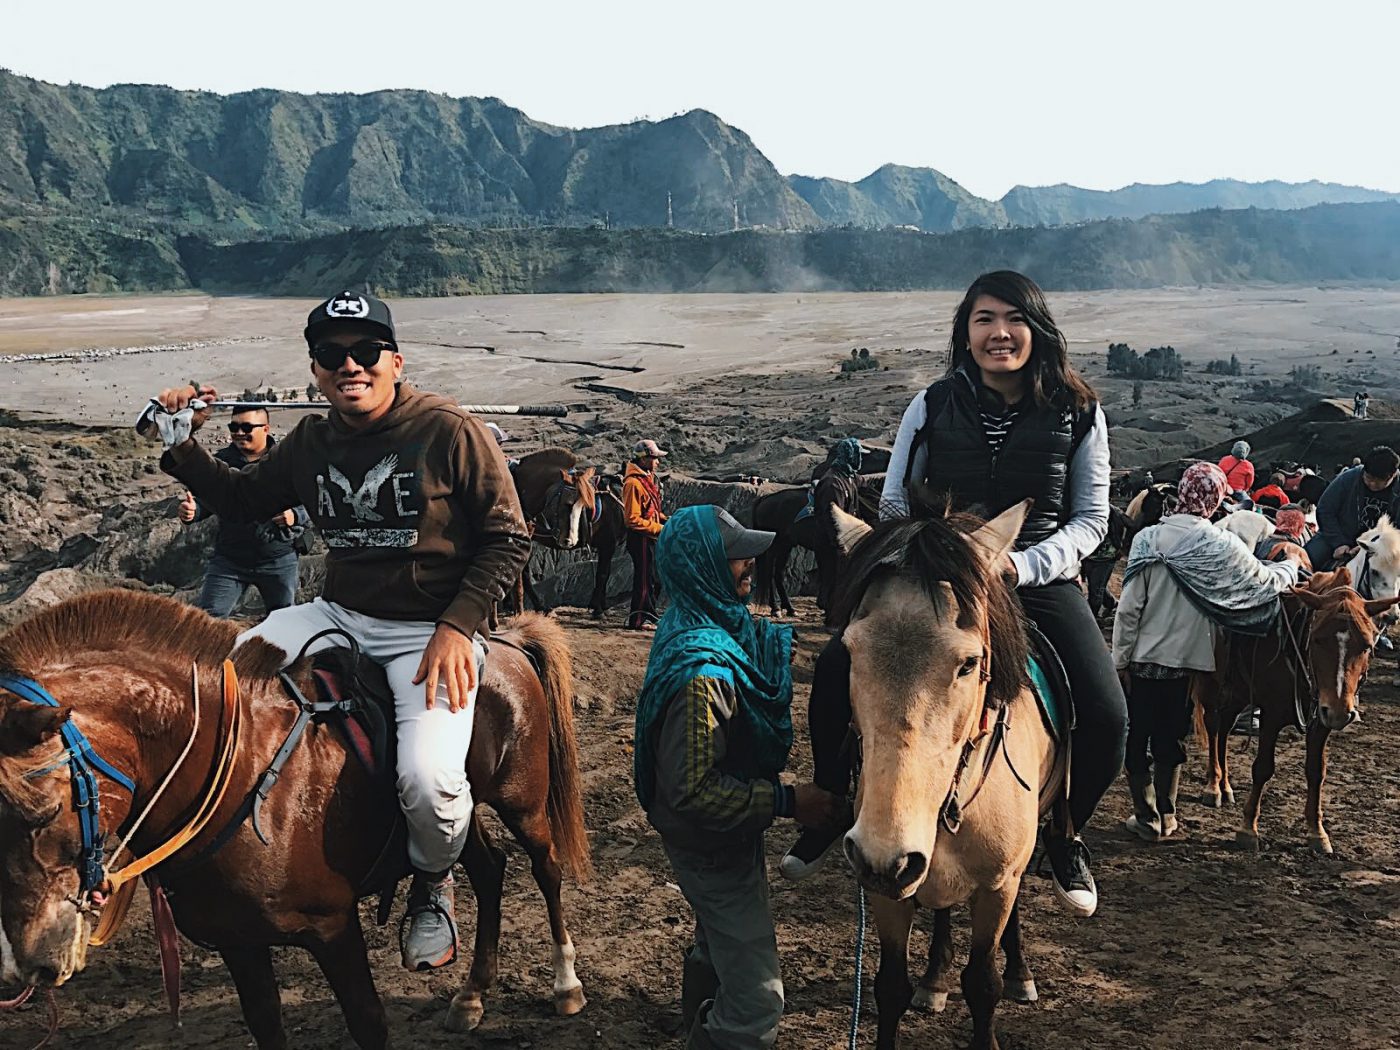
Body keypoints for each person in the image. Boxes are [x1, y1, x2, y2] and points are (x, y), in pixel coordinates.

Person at [144, 290, 531, 973]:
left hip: (429, 629)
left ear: (394, 360)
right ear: (317, 371)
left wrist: (455, 628)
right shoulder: (313, 441)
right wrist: (183, 444)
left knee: (429, 779)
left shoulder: (448, 429)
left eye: (365, 351)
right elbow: (240, 499)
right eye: (332, 354)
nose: (350, 365)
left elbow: (508, 539)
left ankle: (434, 884)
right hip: (340, 614)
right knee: (221, 672)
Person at [782, 270, 1127, 918]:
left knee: (1108, 712)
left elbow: (1092, 519)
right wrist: (912, 551)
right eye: (984, 319)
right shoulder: (932, 403)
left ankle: (1065, 831)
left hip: (1033, 579)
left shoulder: (1080, 412)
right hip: (936, 576)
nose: (999, 332)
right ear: (966, 332)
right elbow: (892, 498)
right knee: (835, 669)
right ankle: (833, 801)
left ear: (1037, 328)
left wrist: (1023, 566)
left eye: (1013, 318)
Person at [633, 504, 840, 1050]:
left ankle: (693, 1029)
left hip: (718, 838)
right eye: (734, 557)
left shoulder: (697, 622)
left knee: (715, 946)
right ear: (702, 568)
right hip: (710, 844)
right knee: (756, 998)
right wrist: (791, 801)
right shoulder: (702, 677)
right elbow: (695, 791)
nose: (750, 563)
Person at [1112, 463, 1300, 841]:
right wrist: (1291, 566)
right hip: (1189, 664)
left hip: (1143, 659)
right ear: (1215, 499)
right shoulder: (1220, 546)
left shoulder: (1148, 540)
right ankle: (1167, 816)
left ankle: (1145, 816)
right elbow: (1263, 584)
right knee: (1172, 737)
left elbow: (1129, 608)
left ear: (1181, 492)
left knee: (1138, 737)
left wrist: (1120, 660)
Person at [176, 405, 311, 617]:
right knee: (208, 621)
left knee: (284, 621)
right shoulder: (220, 462)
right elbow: (208, 500)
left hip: (279, 560)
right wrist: (193, 512)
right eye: (234, 427)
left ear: (265, 428)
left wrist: (295, 515)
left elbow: (313, 500)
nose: (239, 433)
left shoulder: (286, 461)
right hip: (230, 560)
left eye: (246, 427)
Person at [1305, 445, 1400, 569]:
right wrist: (1339, 543)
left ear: (1391, 476)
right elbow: (1325, 509)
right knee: (1306, 559)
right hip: (1340, 536)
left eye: (1377, 481)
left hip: (1382, 547)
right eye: (1368, 478)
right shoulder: (1349, 478)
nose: (1371, 483)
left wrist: (1371, 547)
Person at [812, 437, 862, 614]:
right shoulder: (833, 483)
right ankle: (829, 614)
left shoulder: (848, 477)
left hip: (844, 539)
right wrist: (839, 543)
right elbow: (832, 517)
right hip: (831, 541)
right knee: (830, 576)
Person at [623, 438, 668, 630]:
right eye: (655, 458)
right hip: (641, 538)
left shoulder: (645, 479)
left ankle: (649, 614)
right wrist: (660, 528)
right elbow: (632, 519)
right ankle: (638, 620)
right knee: (644, 580)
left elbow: (651, 510)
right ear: (644, 459)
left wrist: (666, 519)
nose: (657, 462)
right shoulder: (633, 483)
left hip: (650, 536)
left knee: (653, 579)